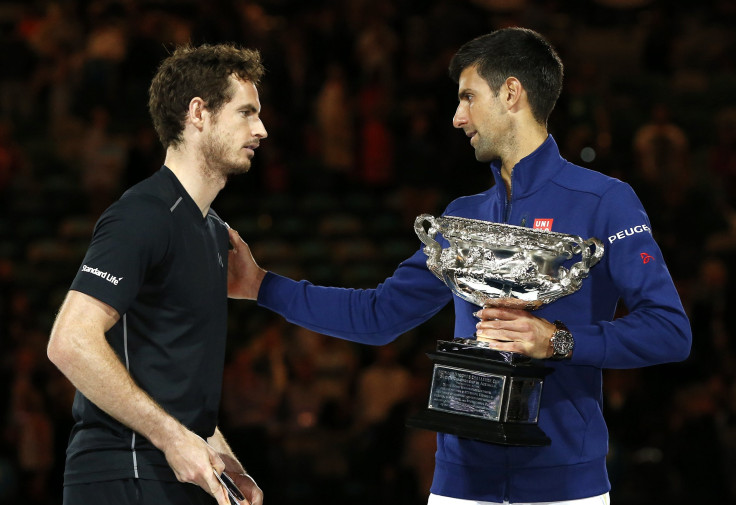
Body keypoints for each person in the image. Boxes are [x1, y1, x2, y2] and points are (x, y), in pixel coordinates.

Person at [227, 27, 692, 504]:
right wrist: (261, 286)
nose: (456, 117)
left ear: (512, 93)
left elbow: (670, 331)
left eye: (468, 97)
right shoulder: (463, 218)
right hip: (459, 486)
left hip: (565, 487)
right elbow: (378, 317)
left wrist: (558, 341)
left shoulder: (605, 200)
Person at [46, 43, 268, 505]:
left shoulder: (212, 231)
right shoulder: (143, 214)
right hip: (120, 471)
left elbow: (172, 379)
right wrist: (172, 438)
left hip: (171, 474)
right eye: (246, 113)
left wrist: (222, 456)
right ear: (198, 113)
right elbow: (70, 341)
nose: (261, 129)